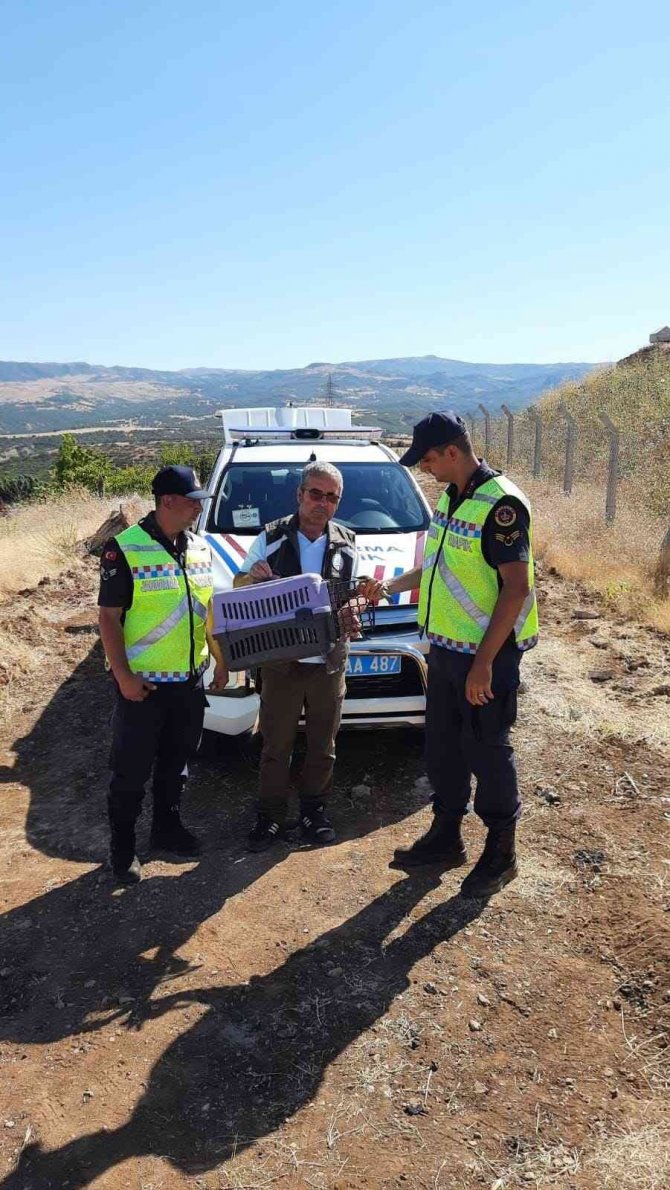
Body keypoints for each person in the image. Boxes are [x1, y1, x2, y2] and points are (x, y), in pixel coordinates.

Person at [361, 412, 539, 898]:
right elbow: (438, 568)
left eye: (429, 459)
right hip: (442, 649)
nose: (425, 469)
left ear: (453, 452)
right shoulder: (450, 497)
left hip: (485, 657)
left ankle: (501, 851)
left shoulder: (501, 505)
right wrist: (391, 587)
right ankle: (446, 837)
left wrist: (483, 663)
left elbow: (516, 589)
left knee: (487, 749)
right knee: (443, 746)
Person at [98, 465, 228, 884]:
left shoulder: (200, 548)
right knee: (131, 771)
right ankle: (123, 848)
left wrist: (220, 662)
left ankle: (167, 829)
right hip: (145, 687)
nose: (197, 507)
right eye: (192, 501)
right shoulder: (125, 548)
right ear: (168, 501)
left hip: (189, 683)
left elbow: (208, 612)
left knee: (177, 765)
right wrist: (123, 676)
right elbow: (109, 617)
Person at [234, 461, 357, 852]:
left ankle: (314, 812)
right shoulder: (269, 537)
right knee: (275, 746)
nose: (323, 503)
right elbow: (238, 587)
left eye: (331, 497)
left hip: (329, 663)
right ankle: (270, 817)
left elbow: (349, 595)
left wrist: (352, 609)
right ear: (300, 495)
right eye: (316, 493)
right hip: (281, 664)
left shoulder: (348, 541)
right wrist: (252, 578)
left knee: (323, 746)